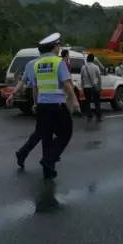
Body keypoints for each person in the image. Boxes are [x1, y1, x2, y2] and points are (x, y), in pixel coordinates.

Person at [31, 33, 80, 179]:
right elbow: (67, 84)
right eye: (59, 45)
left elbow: (35, 87)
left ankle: (48, 170)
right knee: (66, 133)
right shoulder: (59, 62)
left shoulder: (37, 64)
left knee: (46, 136)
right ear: (54, 47)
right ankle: (48, 160)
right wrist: (75, 100)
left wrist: (35, 104)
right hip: (57, 105)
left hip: (42, 105)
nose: (60, 48)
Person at [7, 53, 41, 169]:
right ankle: (49, 156)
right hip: (40, 95)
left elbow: (22, 81)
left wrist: (13, 93)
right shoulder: (47, 64)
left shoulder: (30, 64)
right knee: (46, 129)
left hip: (32, 92)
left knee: (42, 130)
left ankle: (24, 153)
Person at [81, 53, 102, 122]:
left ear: (87, 59)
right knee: (97, 102)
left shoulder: (83, 67)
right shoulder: (96, 67)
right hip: (94, 87)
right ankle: (98, 116)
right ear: (93, 59)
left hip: (86, 88)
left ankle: (89, 116)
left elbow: (82, 78)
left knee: (87, 102)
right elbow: (99, 78)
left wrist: (82, 87)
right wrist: (100, 87)